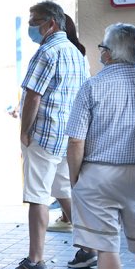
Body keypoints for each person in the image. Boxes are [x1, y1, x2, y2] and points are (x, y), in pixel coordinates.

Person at [66, 23, 135, 269]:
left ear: (111, 52)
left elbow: (76, 141)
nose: (100, 51)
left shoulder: (92, 86)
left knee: (106, 248)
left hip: (98, 173)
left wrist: (75, 177)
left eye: (102, 46)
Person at [6, 1, 89, 269]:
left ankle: (35, 261)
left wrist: (24, 131)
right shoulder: (78, 54)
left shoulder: (47, 52)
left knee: (37, 196)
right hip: (69, 136)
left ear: (51, 23)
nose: (31, 27)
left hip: (44, 135)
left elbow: (33, 96)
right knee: (63, 189)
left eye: (34, 21)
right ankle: (89, 247)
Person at [46, 14, 88, 233]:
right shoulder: (79, 55)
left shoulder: (56, 53)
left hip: (60, 127)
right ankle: (70, 219)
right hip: (74, 124)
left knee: (61, 181)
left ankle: (81, 228)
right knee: (64, 179)